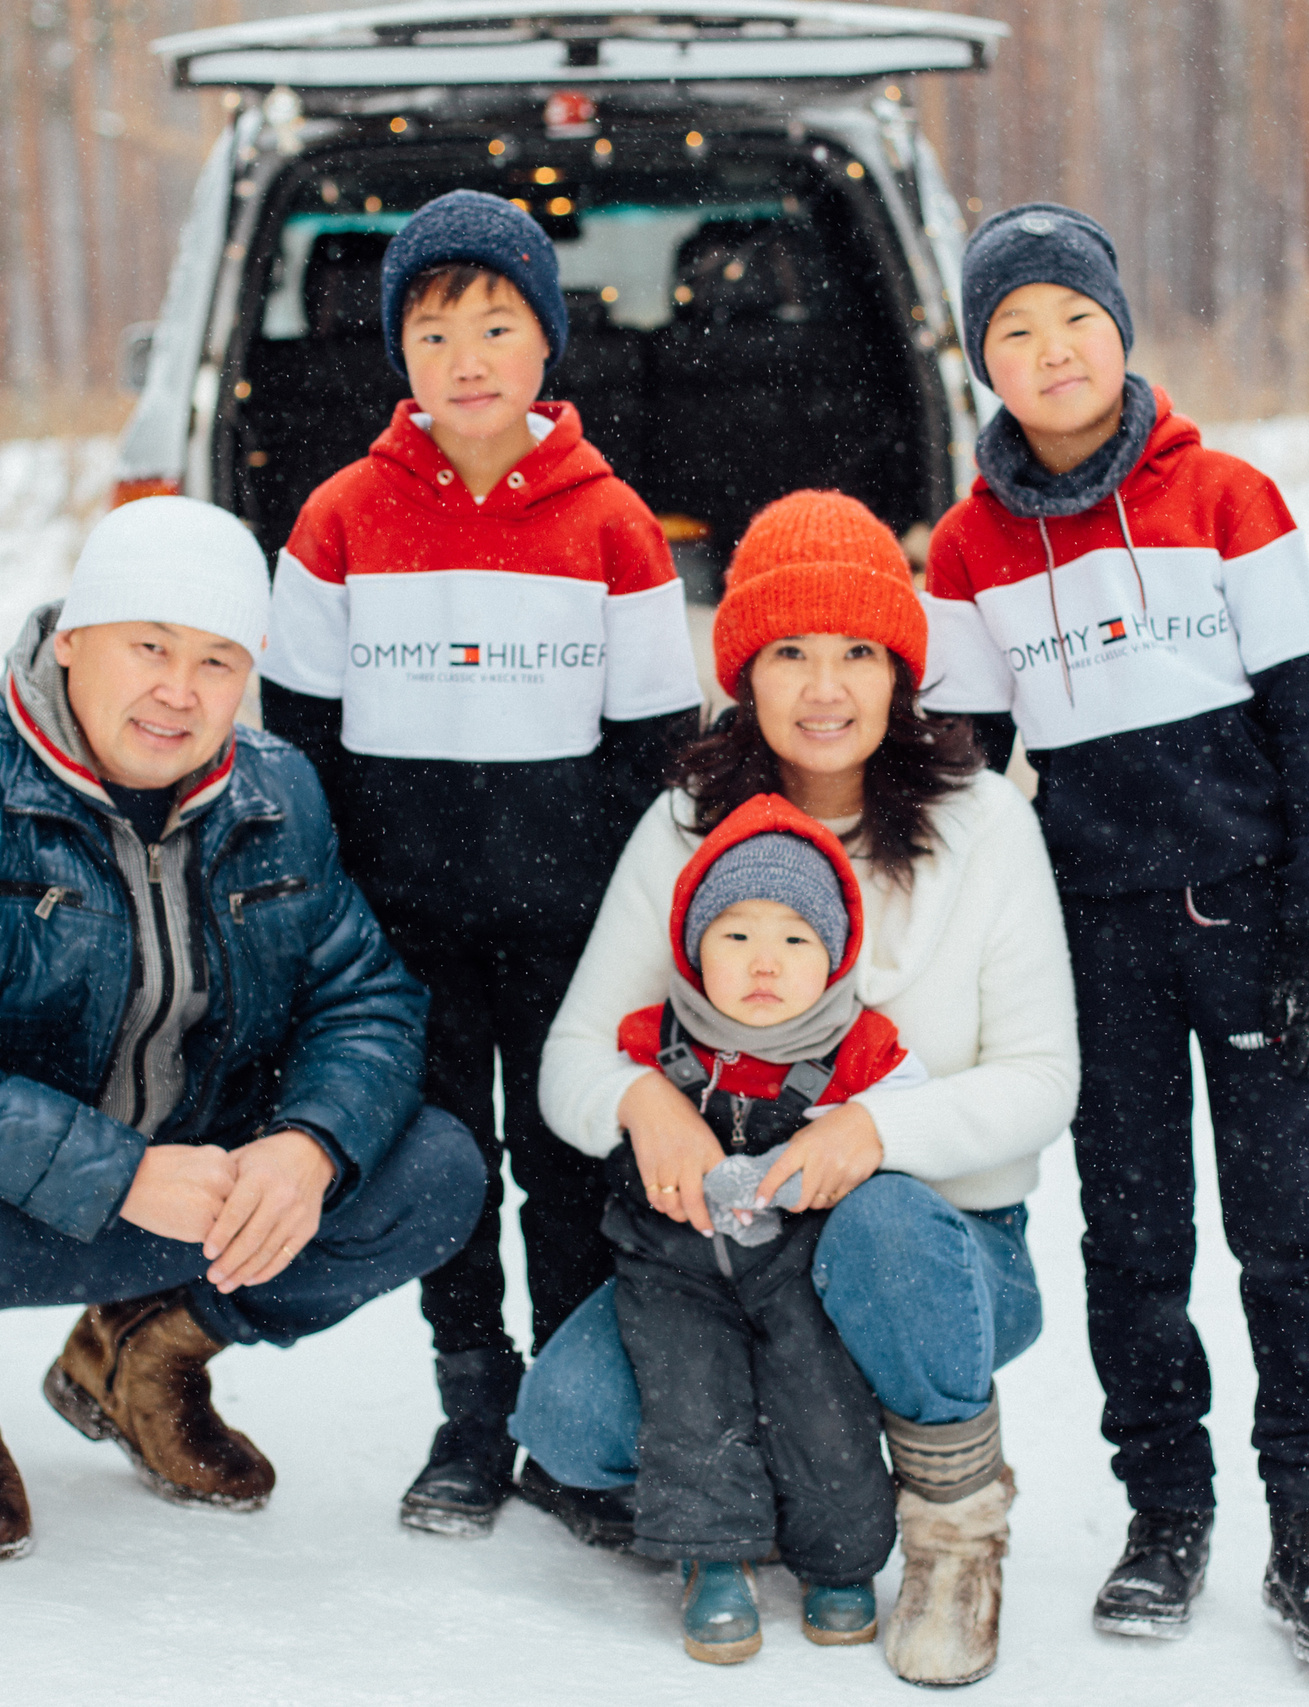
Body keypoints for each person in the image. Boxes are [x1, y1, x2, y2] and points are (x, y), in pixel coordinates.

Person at [0, 495, 484, 1562]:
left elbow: (367, 1002)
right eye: (148, 646)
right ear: (72, 641)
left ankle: (144, 1355)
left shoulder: (277, 793)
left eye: (216, 661)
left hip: (193, 1200)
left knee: (432, 1169)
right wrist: (114, 1172)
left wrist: (306, 1146)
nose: (178, 692)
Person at [919, 203, 1309, 1666]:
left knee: (1289, 1237)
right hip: (1097, 939)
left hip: (1249, 922)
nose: (1051, 351)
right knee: (1133, 1240)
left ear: (1121, 330)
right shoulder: (968, 544)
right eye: (1016, 329)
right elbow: (960, 759)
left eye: (1074, 319)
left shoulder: (1229, 497)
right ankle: (1165, 1512)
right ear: (984, 359)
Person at [527, 490, 1079, 1687]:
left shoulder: (983, 825)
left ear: (901, 673)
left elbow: (1041, 1079)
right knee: (568, 1420)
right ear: (742, 672)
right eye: (788, 653)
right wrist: (644, 1103)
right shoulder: (686, 829)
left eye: (857, 653)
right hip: (729, 1263)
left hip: (936, 1250)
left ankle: (950, 1527)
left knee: (877, 1225)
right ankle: (794, 1477)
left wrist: (875, 1129)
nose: (824, 689)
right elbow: (575, 1054)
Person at [256, 190, 705, 1539]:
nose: (467, 355)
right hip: (409, 930)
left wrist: (628, 922)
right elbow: (299, 741)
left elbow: (654, 748)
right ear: (399, 351)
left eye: (498, 324)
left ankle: (570, 1430)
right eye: (435, 327)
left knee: (569, 1160)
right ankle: (472, 1406)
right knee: (446, 1161)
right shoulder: (339, 518)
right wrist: (331, 910)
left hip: (567, 935)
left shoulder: (612, 523)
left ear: (545, 345)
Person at [607, 793, 922, 1663]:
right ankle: (714, 1558)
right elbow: (590, 1077)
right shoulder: (655, 1038)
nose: (764, 962)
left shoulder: (861, 1047)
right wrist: (637, 1102)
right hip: (673, 1263)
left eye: (795, 939)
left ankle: (841, 1559)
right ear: (692, 946)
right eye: (735, 935)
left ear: (835, 954)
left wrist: (853, 1132)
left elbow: (913, 1105)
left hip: (799, 1263)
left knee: (820, 1404)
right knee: (690, 1403)